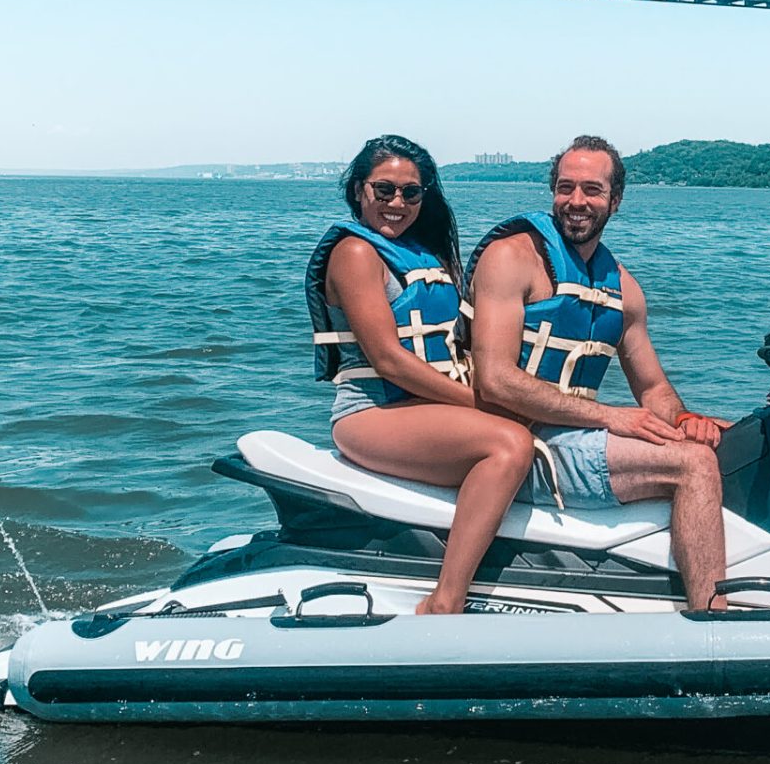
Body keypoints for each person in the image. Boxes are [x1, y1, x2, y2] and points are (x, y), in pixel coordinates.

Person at [466, 135, 732, 610]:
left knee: (718, 445)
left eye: (591, 189)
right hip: (518, 447)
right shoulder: (511, 258)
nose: (576, 202)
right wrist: (610, 416)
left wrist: (686, 420)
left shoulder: (623, 288)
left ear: (615, 200)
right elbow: (494, 379)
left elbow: (652, 388)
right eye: (565, 187)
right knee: (694, 465)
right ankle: (712, 622)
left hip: (571, 438)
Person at [306, 134, 534, 615]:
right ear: (358, 191)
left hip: (425, 408)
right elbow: (387, 360)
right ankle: (446, 600)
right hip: (371, 412)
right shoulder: (355, 254)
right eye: (383, 190)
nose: (397, 203)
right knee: (508, 442)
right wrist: (479, 401)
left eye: (411, 192)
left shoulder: (425, 253)